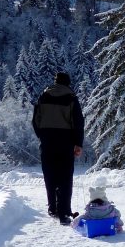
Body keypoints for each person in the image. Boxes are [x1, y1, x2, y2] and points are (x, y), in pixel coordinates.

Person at [32, 71, 84, 224]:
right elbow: (78, 122)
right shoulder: (71, 98)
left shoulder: (43, 96)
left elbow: (35, 120)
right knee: (65, 177)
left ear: (55, 82)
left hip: (47, 140)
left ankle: (52, 208)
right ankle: (64, 212)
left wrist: (42, 135)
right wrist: (78, 143)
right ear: (68, 83)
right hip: (65, 141)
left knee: (50, 175)